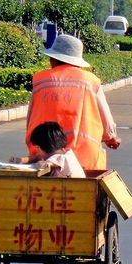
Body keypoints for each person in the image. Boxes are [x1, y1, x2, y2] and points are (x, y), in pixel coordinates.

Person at [25, 34, 121, 170]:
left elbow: (30, 118)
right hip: (84, 159)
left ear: (53, 59)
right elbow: (106, 118)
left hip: (43, 156)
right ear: (78, 62)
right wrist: (111, 137)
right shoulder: (91, 81)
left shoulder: (40, 80)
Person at [10, 122, 86, 178]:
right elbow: (37, 158)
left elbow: (44, 164)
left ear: (39, 148)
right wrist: (20, 160)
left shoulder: (60, 158)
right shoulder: (67, 153)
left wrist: (32, 166)